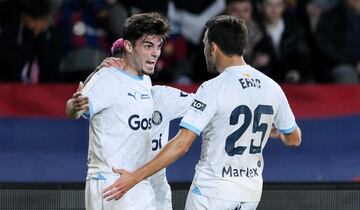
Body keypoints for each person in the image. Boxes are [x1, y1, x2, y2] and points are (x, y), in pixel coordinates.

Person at [103, 15, 302, 210]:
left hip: (212, 193)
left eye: (205, 43)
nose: (204, 49)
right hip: (250, 195)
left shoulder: (214, 88)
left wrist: (134, 177)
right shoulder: (272, 87)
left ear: (213, 47)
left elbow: (182, 145)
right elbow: (294, 138)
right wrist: (275, 134)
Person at [65, 12, 171, 210]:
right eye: (148, 46)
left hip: (138, 181)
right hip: (110, 184)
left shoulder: (146, 81)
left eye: (158, 47)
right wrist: (75, 105)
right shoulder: (107, 78)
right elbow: (74, 110)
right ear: (129, 46)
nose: (155, 53)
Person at [88, 37, 195, 210]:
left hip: (155, 193)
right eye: (116, 64)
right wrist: (96, 75)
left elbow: (205, 105)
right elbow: (77, 106)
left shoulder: (163, 96)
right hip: (119, 187)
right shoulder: (107, 95)